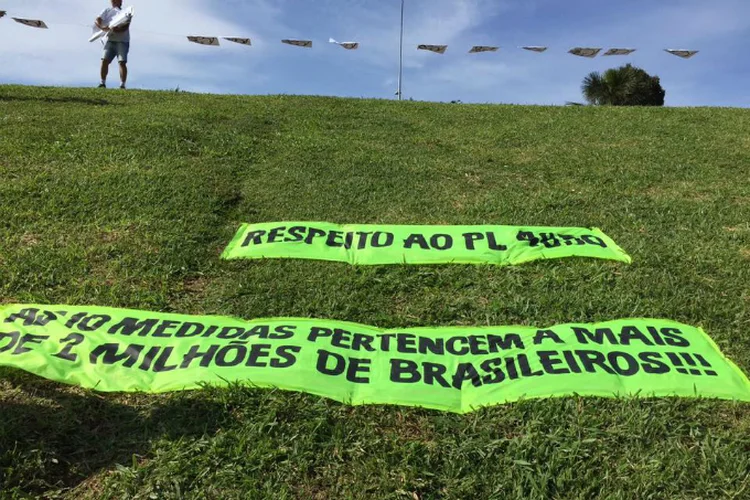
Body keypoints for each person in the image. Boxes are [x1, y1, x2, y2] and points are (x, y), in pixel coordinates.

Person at [95, 0, 131, 89]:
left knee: (122, 62)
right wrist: (103, 27)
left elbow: (125, 27)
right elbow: (98, 19)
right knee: (104, 60)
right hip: (110, 40)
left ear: (120, 1)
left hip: (122, 41)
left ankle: (122, 85)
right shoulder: (106, 10)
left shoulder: (126, 12)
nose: (113, 1)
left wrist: (116, 30)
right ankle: (102, 83)